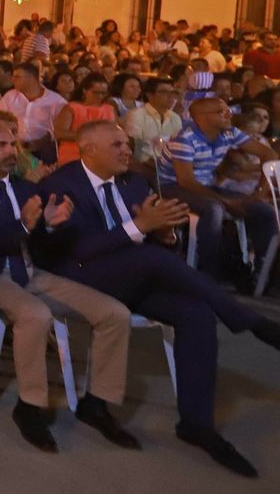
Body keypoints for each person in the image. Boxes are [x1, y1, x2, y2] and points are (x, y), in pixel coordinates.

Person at [38, 121, 280, 478]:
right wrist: (140, 229)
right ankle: (254, 322)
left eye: (128, 143)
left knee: (196, 313)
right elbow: (75, 253)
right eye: (117, 144)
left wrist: (164, 236)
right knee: (149, 258)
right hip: (79, 279)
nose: (127, 150)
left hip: (132, 276)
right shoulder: (60, 185)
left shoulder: (134, 181)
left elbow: (152, 240)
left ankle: (197, 424)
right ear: (88, 150)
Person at [0, 123, 137, 453]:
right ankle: (30, 406)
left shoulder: (24, 188)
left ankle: (97, 403)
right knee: (35, 315)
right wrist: (23, 224)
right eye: (2, 145)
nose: (11, 151)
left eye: (14, 144)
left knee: (115, 313)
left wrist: (49, 226)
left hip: (34, 272)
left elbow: (36, 239)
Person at [159, 97, 278, 281]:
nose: (228, 114)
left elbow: (268, 154)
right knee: (214, 209)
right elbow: (187, 182)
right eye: (221, 112)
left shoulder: (229, 133)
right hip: (173, 186)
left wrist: (259, 193)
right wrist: (227, 202)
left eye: (228, 110)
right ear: (202, 118)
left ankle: (263, 274)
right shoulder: (185, 139)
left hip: (206, 185)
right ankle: (210, 273)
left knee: (265, 211)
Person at [0, 61, 67, 166]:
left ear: (31, 78)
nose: (12, 79)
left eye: (17, 77)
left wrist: (42, 141)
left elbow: (61, 128)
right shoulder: (10, 96)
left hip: (44, 147)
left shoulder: (56, 101)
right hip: (15, 145)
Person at [53, 72, 117, 166]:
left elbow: (115, 132)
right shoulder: (72, 108)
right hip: (74, 155)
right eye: (95, 92)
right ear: (84, 90)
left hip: (103, 156)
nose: (100, 96)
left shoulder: (109, 109)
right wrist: (91, 137)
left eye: (103, 93)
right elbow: (59, 133)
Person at [124, 77, 182, 174]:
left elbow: (178, 146)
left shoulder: (175, 117)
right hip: (145, 168)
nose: (171, 96)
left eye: (172, 92)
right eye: (164, 92)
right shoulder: (137, 115)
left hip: (170, 167)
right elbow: (134, 149)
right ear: (150, 95)